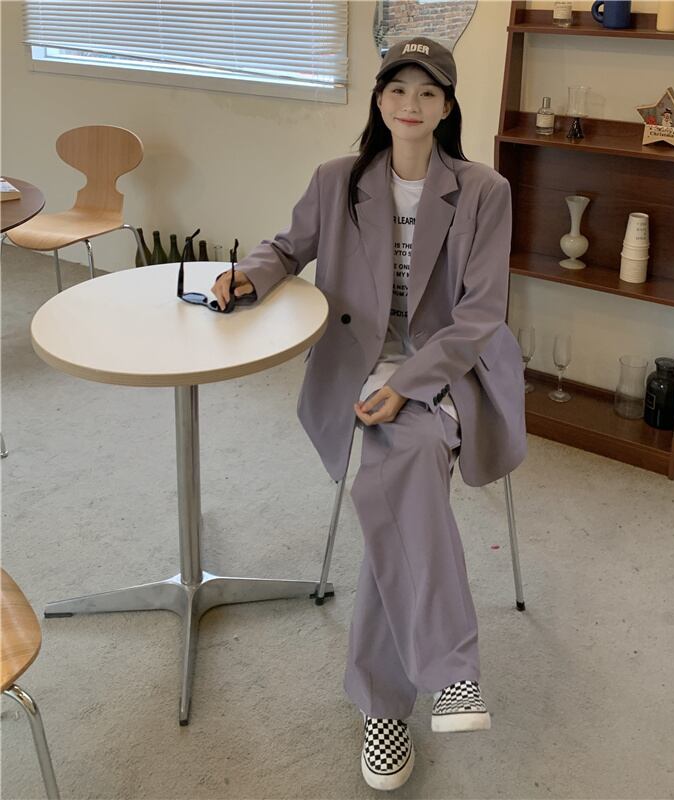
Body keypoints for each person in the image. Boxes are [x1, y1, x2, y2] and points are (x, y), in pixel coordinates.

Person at [212, 36, 527, 792]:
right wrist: (248, 276)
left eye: (427, 92)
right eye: (397, 90)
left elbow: (479, 313)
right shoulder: (337, 180)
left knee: (401, 462)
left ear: (447, 107)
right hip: (359, 363)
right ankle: (448, 672)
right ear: (379, 101)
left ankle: (386, 702)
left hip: (448, 366)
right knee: (404, 476)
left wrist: (412, 382)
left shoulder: (484, 191)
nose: (410, 104)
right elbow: (287, 247)